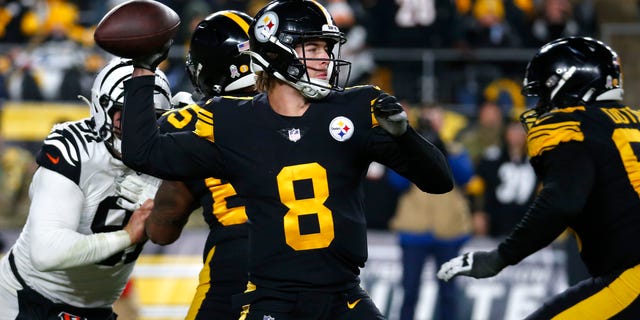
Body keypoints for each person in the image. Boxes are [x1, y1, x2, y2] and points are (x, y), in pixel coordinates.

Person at [118, 1, 454, 319]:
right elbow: (143, 153)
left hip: (344, 296)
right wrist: (144, 68)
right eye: (312, 49)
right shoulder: (232, 121)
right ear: (275, 54)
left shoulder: (354, 108)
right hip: (272, 300)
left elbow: (439, 181)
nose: (325, 59)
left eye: (326, 48)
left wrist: (404, 135)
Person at [437, 36, 640, 319]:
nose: (540, 103)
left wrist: (499, 258)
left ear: (567, 83)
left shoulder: (572, 126)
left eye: (543, 92)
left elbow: (561, 202)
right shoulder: (634, 120)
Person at [0, 58, 171, 319]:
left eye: (150, 119)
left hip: (98, 308)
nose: (139, 129)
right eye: (126, 116)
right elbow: (46, 252)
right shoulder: (77, 151)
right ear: (103, 108)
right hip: (28, 300)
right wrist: (126, 236)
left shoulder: (167, 150)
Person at [116, 10, 258, 319]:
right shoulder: (307, 111)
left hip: (238, 261)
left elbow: (162, 230)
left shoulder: (194, 123)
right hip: (318, 262)